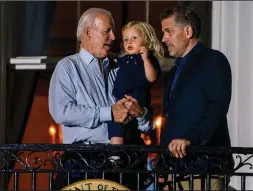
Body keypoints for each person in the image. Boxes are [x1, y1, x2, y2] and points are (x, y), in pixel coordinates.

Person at [48, 8, 153, 189]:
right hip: (84, 162)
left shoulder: (120, 65)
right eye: (107, 31)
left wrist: (141, 113)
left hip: (127, 160)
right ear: (88, 32)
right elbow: (61, 112)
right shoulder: (67, 67)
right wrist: (109, 113)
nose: (113, 37)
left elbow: (146, 117)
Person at [158, 5, 234, 190]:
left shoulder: (213, 60)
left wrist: (191, 140)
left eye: (168, 31)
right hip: (173, 171)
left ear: (188, 31)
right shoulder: (174, 70)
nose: (163, 38)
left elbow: (216, 107)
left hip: (204, 166)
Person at [108, 21, 163, 149]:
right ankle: (115, 153)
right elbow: (114, 59)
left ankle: (121, 151)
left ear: (147, 41)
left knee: (128, 123)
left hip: (137, 96)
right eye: (126, 39)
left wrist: (145, 59)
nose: (129, 42)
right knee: (116, 122)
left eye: (134, 38)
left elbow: (151, 77)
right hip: (120, 97)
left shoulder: (148, 59)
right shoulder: (124, 59)